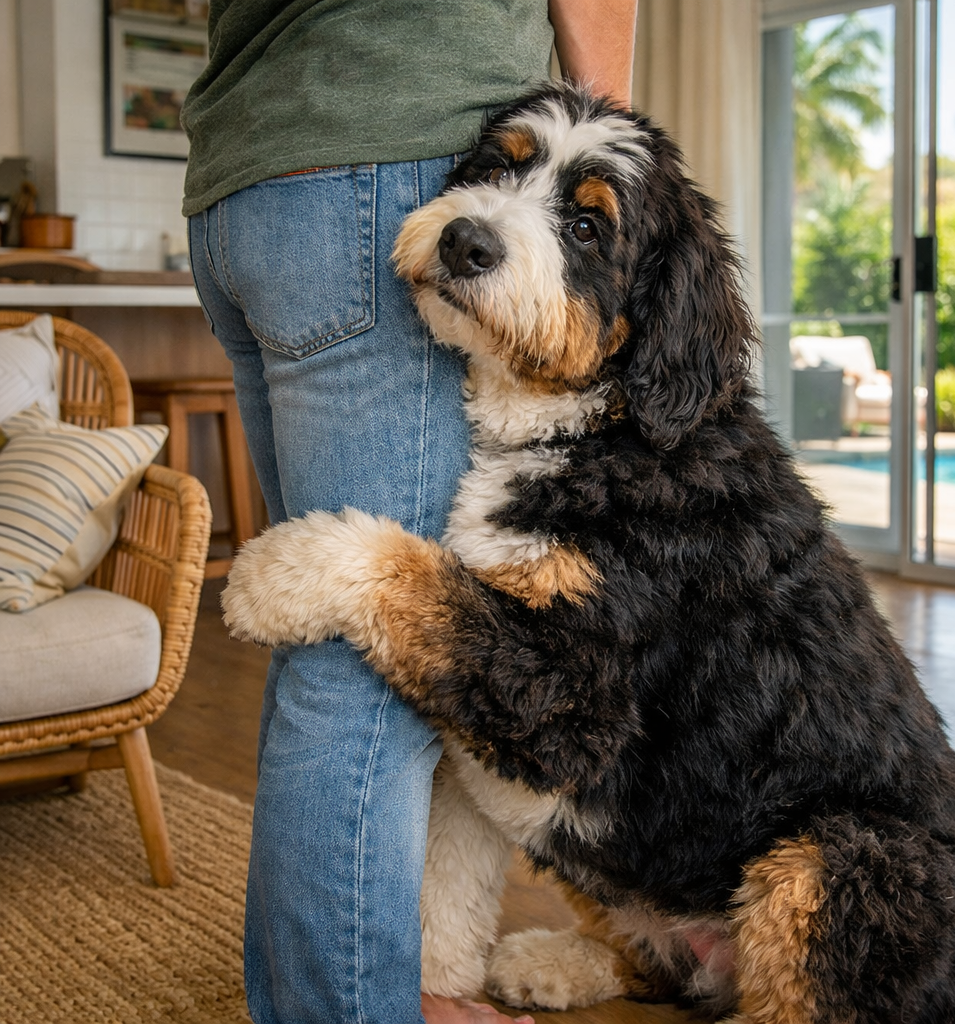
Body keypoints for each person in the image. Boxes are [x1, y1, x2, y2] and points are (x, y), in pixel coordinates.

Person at [180, 3, 637, 1022]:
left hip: (241, 186)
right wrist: (603, 130)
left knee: (334, 641)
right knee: (379, 656)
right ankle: (353, 1003)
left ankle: (359, 985)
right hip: (384, 156)